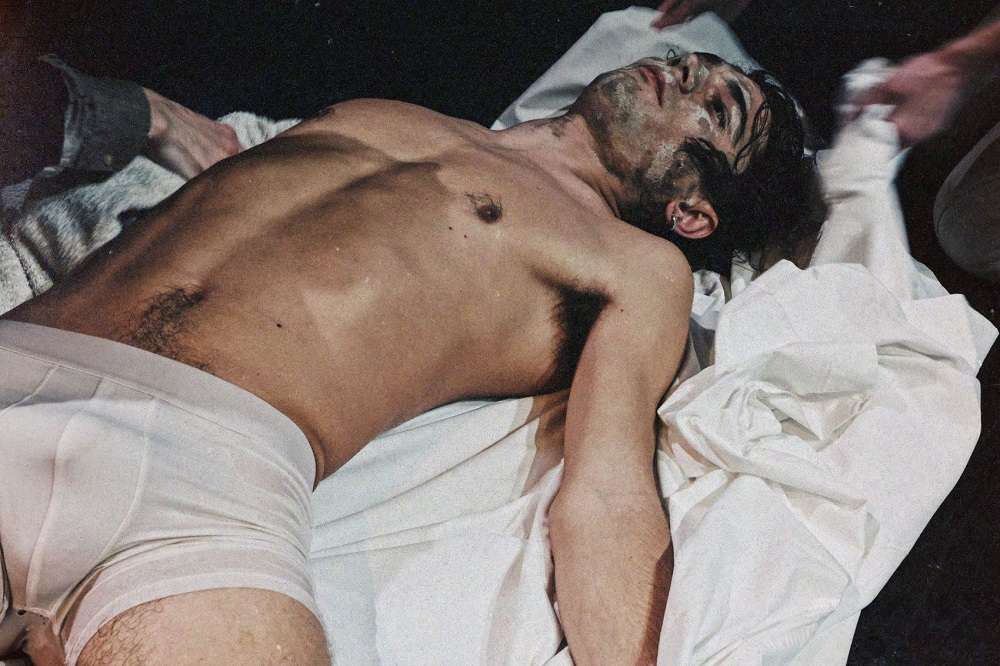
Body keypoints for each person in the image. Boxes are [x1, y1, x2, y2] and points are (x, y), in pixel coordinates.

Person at [0, 52, 822, 665]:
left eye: (717, 107)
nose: (684, 72)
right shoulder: (388, 112)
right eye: (691, 62)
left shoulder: (637, 266)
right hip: (25, 347)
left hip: (206, 476)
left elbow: (608, 495)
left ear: (693, 213)